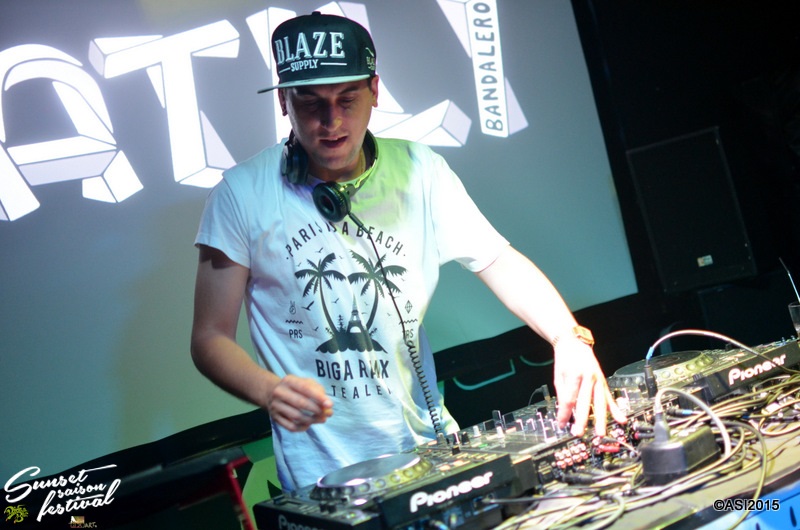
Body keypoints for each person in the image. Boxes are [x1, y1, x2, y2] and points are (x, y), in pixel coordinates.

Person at [191, 11, 626, 493]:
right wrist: (268, 390)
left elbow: (499, 261)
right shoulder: (240, 194)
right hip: (324, 481)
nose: (331, 121)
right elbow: (209, 337)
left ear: (375, 91)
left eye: (347, 99)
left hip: (433, 453)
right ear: (283, 101)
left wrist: (568, 338)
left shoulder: (421, 169)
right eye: (310, 102)